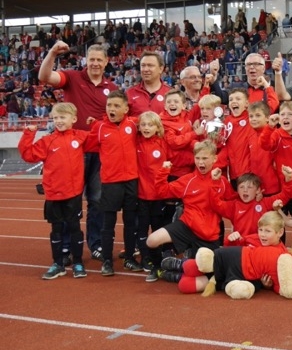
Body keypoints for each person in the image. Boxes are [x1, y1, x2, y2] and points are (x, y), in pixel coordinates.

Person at [38, 41, 117, 262]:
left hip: (99, 151)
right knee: (68, 198)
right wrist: (52, 53)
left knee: (97, 200)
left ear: (106, 62)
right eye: (91, 59)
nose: (95, 63)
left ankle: (96, 243)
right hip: (73, 151)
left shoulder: (112, 89)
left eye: (99, 60)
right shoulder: (72, 77)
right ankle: (65, 247)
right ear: (85, 60)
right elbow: (44, 77)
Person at [18, 103, 90, 279]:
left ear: (73, 119)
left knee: (75, 228)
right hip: (53, 194)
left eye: (62, 117)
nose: (58, 121)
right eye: (55, 117)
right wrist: (28, 134)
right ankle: (58, 264)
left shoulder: (81, 137)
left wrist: (95, 123)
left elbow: (101, 139)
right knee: (56, 229)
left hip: (73, 194)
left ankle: (78, 262)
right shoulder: (47, 141)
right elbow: (28, 154)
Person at [146, 141, 230, 272]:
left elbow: (233, 202)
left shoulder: (222, 182)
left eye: (205, 158)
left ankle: (180, 264)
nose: (200, 162)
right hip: (187, 227)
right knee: (151, 240)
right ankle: (158, 268)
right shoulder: (188, 180)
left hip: (208, 234)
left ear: (214, 159)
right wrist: (163, 172)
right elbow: (162, 191)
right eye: (197, 158)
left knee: (203, 273)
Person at [165, 211, 291, 297]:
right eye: (260, 230)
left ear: (280, 233)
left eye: (267, 231)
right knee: (195, 267)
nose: (262, 234)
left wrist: (267, 286)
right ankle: (180, 265)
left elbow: (280, 278)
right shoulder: (254, 238)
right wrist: (231, 240)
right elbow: (231, 250)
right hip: (225, 265)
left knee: (187, 285)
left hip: (239, 277)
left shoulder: (282, 255)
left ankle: (177, 276)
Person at [85, 90, 140, 276]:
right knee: (108, 224)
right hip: (110, 183)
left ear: (126, 109)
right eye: (109, 105)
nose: (112, 109)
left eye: (117, 106)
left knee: (130, 222)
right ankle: (107, 260)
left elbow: (154, 122)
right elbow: (86, 144)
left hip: (131, 180)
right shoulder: (99, 128)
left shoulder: (133, 124)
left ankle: (130, 258)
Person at [211, 167, 292, 246]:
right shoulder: (233, 206)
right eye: (241, 187)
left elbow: (284, 196)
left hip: (259, 245)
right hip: (241, 245)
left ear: (257, 190)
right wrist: (215, 182)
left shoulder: (264, 203)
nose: (245, 190)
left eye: (249, 187)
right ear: (237, 190)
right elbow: (216, 204)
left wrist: (288, 180)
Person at [134, 111, 169, 281]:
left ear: (158, 127)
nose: (146, 128)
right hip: (141, 194)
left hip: (158, 195)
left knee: (157, 228)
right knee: (141, 228)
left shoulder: (163, 143)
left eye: (150, 125)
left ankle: (158, 258)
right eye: (143, 125)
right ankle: (145, 257)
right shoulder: (136, 142)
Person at [210, 53, 279, 114]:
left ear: (263, 68)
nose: (251, 67)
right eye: (248, 64)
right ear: (245, 68)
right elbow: (221, 98)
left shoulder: (270, 90)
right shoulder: (235, 87)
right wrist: (214, 76)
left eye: (256, 64)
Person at [247, 101, 281, 196]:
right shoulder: (251, 136)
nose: (254, 119)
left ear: (267, 118)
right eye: (251, 116)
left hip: (272, 186)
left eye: (258, 115)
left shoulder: (275, 134)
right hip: (256, 186)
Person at [127, 51, 172, 117]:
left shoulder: (171, 93)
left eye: (150, 65)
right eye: (143, 65)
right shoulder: (130, 93)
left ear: (161, 69)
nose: (145, 69)